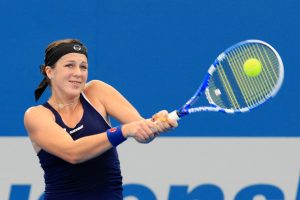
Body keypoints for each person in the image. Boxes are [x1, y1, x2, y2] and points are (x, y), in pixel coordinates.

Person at [23, 39, 178, 200]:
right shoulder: (36, 115)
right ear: (50, 72)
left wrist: (156, 125)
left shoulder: (97, 91)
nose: (78, 73)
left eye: (83, 67)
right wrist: (124, 130)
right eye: (70, 65)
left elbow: (141, 130)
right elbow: (73, 153)